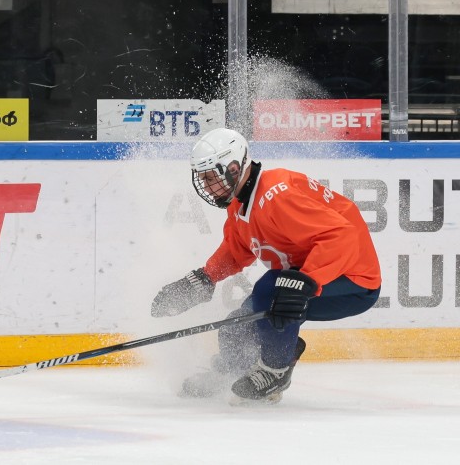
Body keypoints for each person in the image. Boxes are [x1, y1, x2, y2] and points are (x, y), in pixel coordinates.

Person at [151, 127, 381, 403]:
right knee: (236, 326)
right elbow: (236, 251)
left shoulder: (277, 195)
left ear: (234, 168)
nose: (207, 186)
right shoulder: (240, 204)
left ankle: (275, 369)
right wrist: (204, 278)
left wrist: (306, 280)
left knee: (270, 289)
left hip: (353, 281)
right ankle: (228, 371)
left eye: (210, 177)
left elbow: (341, 236)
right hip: (309, 277)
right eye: (203, 178)